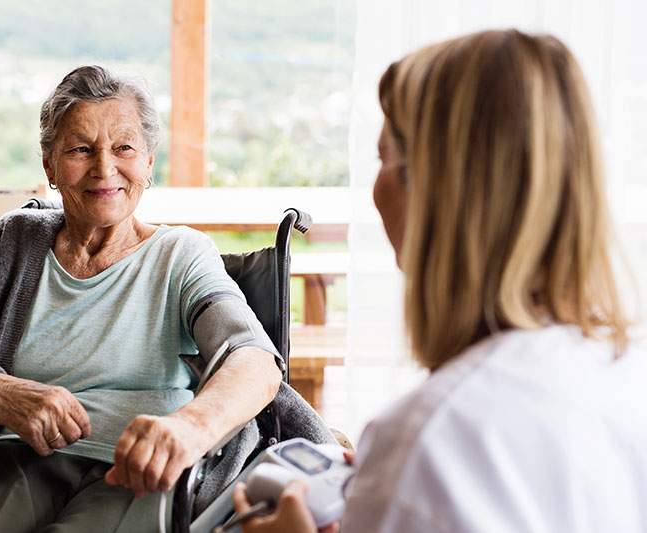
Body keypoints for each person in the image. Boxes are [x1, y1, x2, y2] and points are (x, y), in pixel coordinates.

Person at [234, 29, 647, 532]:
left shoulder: (431, 441)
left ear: (432, 191)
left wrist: (394, 486)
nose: (374, 188)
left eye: (383, 157)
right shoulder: (624, 373)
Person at [0, 65, 288, 532]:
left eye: (124, 147)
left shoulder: (181, 255)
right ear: (49, 164)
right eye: (80, 149)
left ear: (149, 161)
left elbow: (253, 359)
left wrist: (190, 428)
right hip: (17, 455)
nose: (104, 168)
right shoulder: (14, 243)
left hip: (140, 465)